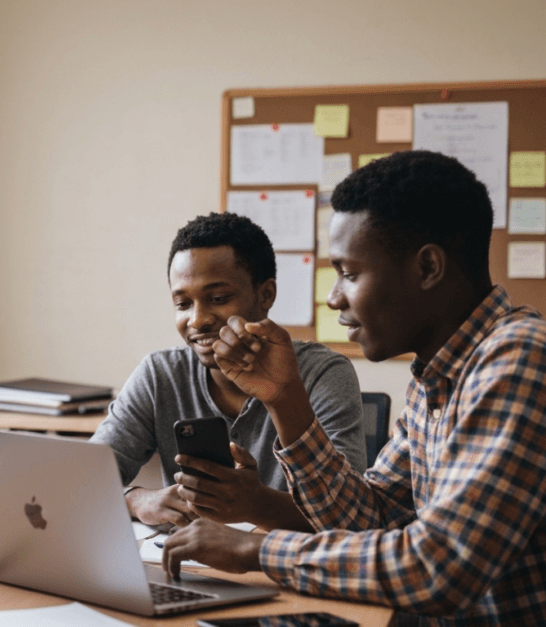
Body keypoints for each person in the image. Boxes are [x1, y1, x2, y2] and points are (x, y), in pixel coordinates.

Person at [163, 151, 546, 625]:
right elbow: (369, 519)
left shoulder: (519, 358)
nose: (333, 297)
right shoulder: (440, 377)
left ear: (427, 267)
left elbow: (439, 568)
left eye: (349, 273)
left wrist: (256, 549)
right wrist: (285, 399)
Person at [91, 212, 365, 533]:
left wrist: (255, 505)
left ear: (265, 295)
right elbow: (84, 478)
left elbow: (351, 512)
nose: (197, 320)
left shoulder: (323, 373)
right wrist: (136, 500)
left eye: (218, 299)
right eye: (182, 304)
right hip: (190, 566)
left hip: (283, 568)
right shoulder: (159, 374)